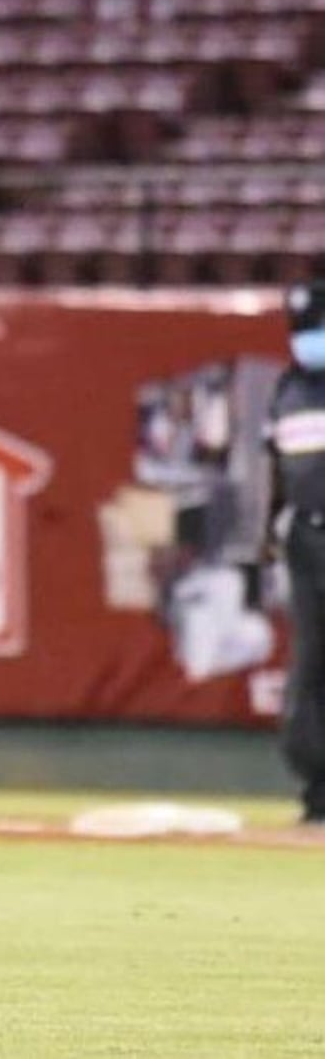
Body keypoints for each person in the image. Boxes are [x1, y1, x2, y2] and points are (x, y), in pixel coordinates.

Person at [263, 281, 325, 826]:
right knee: (311, 664)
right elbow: (276, 474)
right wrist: (268, 533)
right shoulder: (288, 390)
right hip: (307, 538)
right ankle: (317, 790)